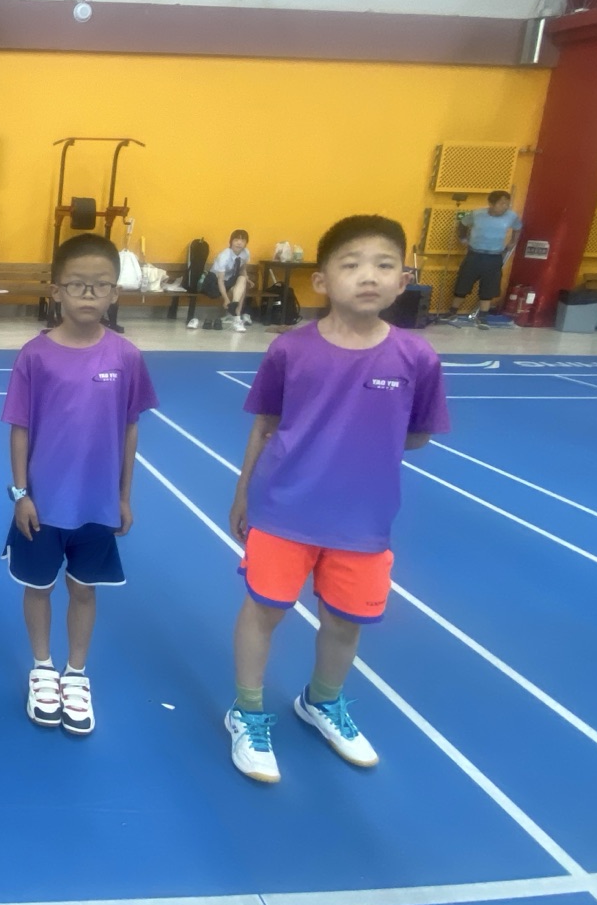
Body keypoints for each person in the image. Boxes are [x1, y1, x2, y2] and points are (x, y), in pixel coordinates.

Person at [224, 214, 449, 784]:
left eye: (384, 265)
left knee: (345, 622)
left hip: (363, 522)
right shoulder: (289, 350)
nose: (368, 276)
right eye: (351, 265)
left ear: (404, 280)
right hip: (283, 511)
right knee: (264, 610)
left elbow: (418, 434)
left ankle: (321, 701)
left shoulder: (417, 358)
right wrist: (243, 493)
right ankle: (246, 711)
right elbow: (265, 425)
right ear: (322, 280)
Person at [4, 233, 157, 736]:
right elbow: (20, 429)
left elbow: (130, 429)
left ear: (115, 292)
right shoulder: (34, 356)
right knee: (39, 587)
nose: (89, 294)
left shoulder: (126, 357)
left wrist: (124, 496)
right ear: (57, 291)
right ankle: (42, 668)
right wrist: (21, 493)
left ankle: (75, 673)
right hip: (43, 505)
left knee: (84, 590)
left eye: (100, 285)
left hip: (97, 506)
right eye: (77, 284)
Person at [445, 191, 522, 327]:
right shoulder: (477, 214)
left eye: (507, 204)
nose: (505, 206)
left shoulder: (511, 216)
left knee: (488, 288)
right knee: (463, 284)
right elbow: (462, 224)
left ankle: (482, 317)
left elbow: (517, 228)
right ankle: (452, 312)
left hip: (494, 256)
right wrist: (463, 239)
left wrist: (513, 242)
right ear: (491, 204)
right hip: (475, 254)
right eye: (501, 203)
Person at [195, 229, 253, 333]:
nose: (239, 243)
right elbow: (220, 280)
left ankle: (235, 315)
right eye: (236, 240)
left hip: (229, 280)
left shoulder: (246, 253)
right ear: (231, 241)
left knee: (243, 280)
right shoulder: (224, 256)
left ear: (246, 243)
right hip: (214, 282)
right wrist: (226, 299)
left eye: (243, 240)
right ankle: (235, 315)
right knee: (241, 288)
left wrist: (247, 278)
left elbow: (242, 268)